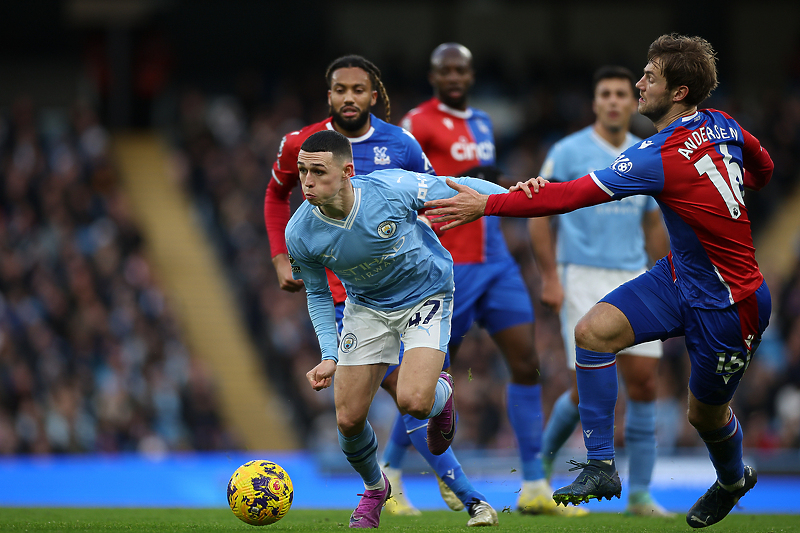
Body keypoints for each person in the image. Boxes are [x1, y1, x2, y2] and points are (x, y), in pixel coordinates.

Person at [423, 34, 774, 529]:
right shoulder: (724, 125)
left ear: (678, 92)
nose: (639, 83)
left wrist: (487, 203)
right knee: (591, 333)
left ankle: (734, 480)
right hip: (680, 278)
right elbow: (765, 168)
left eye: (650, 76)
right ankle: (602, 466)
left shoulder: (657, 155)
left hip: (731, 304)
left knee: (705, 416)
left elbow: (569, 197)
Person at [264, 55, 493, 522]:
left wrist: (508, 196)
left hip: (424, 293)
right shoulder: (299, 230)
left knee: (413, 399)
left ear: (346, 173)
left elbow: (453, 185)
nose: (305, 184)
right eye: (303, 174)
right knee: (347, 419)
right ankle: (377, 487)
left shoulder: (392, 176)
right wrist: (329, 353)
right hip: (364, 304)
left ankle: (447, 427)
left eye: (316, 174)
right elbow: (314, 294)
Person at [398, 42, 586, 517]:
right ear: (433, 75)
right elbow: (402, 184)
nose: (455, 77)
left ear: (472, 74)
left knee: (525, 364)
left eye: (462, 69)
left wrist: (496, 178)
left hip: (497, 257)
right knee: (427, 382)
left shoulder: (482, 121)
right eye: (447, 71)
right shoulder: (415, 123)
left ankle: (535, 486)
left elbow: (479, 177)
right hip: (450, 261)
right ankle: (393, 477)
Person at [528, 65, 673, 517]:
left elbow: (654, 221)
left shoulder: (649, 152)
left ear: (633, 103)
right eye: (605, 94)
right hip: (581, 275)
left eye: (620, 94)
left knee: (645, 383)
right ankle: (537, 476)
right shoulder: (567, 151)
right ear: (595, 103)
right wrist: (550, 276)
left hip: (634, 275)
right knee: (583, 384)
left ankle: (642, 496)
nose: (613, 101)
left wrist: (663, 273)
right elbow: (538, 213)